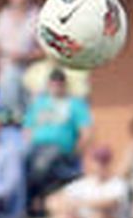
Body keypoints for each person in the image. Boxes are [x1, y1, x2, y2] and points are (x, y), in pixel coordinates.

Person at [23, 69, 91, 205]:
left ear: (64, 85)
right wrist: (29, 143)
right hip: (36, 147)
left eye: (59, 83)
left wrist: (76, 150)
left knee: (42, 163)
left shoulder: (76, 104)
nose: (56, 86)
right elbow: (27, 128)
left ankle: (38, 199)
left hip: (60, 149)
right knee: (19, 160)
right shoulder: (38, 104)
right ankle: (30, 202)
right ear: (48, 85)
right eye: (53, 83)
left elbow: (86, 131)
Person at [49, 145, 128, 218]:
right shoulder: (84, 183)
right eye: (98, 161)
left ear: (109, 163)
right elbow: (53, 200)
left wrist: (80, 203)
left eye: (104, 162)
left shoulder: (118, 183)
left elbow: (111, 203)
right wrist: (65, 207)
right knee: (64, 217)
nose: (101, 165)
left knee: (97, 217)